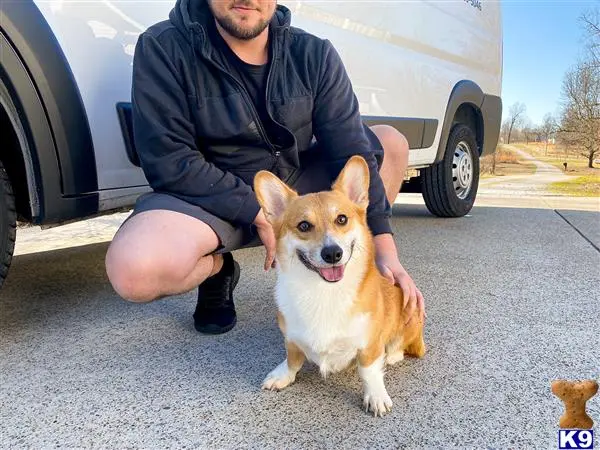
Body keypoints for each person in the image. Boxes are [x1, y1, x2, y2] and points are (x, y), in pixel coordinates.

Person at [105, 0, 425, 334]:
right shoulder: (163, 47)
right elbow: (169, 159)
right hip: (211, 197)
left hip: (294, 182)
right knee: (133, 272)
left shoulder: (314, 53)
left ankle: (341, 281)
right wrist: (256, 210)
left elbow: (348, 147)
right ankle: (218, 271)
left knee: (390, 142)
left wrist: (386, 252)